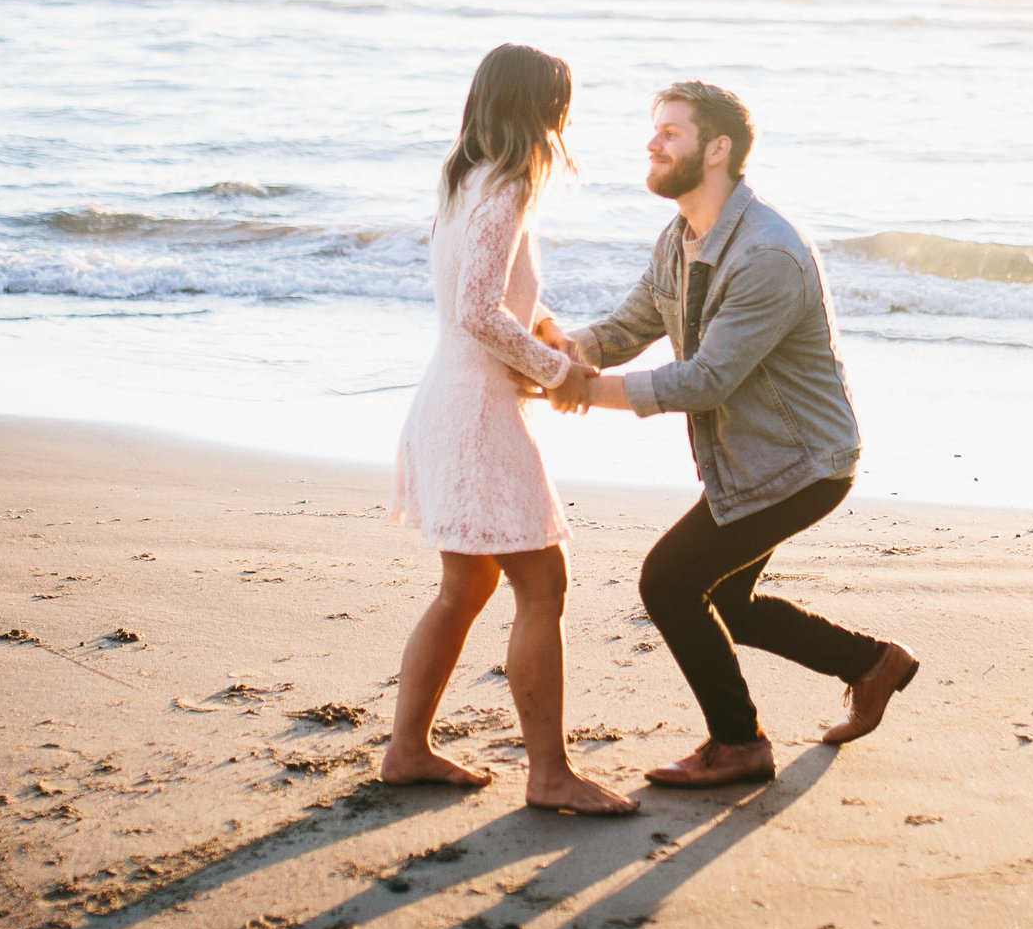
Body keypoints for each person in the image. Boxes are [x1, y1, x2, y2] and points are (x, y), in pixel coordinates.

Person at [549, 81, 918, 787]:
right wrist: (560, 352)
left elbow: (706, 379)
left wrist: (584, 391)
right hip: (753, 457)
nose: (652, 142)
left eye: (671, 132)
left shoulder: (767, 254)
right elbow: (628, 328)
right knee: (726, 601)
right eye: (653, 129)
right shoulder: (682, 237)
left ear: (717, 149)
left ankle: (739, 743)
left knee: (670, 581)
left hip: (803, 463)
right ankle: (873, 663)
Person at [380, 44, 638, 816]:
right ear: (540, 108)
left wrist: (553, 333)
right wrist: (562, 375)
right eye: (562, 106)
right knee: (543, 582)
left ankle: (406, 749)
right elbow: (478, 312)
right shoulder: (512, 184)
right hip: (475, 412)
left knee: (467, 584)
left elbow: (506, 294)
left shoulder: (466, 181)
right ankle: (550, 774)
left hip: (453, 399)